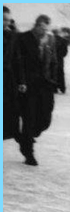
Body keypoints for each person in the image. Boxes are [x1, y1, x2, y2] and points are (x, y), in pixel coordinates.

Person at [17, 14, 57, 166]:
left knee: (45, 118)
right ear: (36, 25)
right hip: (29, 85)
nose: (44, 30)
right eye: (41, 27)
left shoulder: (50, 39)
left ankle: (26, 136)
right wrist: (21, 81)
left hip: (45, 84)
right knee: (29, 118)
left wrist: (54, 80)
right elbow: (19, 61)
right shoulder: (24, 38)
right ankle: (28, 153)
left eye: (46, 28)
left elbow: (54, 61)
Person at [3, 6, 26, 142]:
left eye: (8, 20)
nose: (6, 23)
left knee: (10, 115)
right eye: (3, 19)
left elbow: (18, 60)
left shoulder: (12, 36)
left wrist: (21, 81)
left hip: (7, 80)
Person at [53, 29, 69, 94]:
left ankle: (55, 87)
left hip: (54, 59)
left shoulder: (51, 40)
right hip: (59, 59)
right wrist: (61, 55)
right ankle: (62, 88)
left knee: (54, 73)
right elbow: (65, 52)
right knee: (60, 74)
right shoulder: (63, 41)